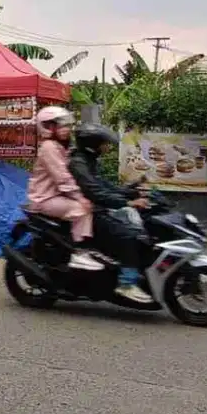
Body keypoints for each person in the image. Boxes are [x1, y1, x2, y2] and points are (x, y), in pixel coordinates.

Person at [69, 122, 153, 303]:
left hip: (95, 209)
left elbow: (105, 187)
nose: (107, 147)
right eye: (104, 143)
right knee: (129, 235)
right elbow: (95, 192)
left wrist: (133, 190)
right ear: (93, 144)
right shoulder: (78, 163)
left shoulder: (88, 161)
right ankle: (126, 283)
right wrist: (128, 202)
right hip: (89, 213)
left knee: (138, 229)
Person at [26, 107, 94, 256]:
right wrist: (80, 197)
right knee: (82, 210)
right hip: (45, 198)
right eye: (61, 125)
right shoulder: (49, 147)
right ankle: (81, 253)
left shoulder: (60, 147)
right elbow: (62, 177)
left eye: (67, 125)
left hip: (56, 196)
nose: (66, 129)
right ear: (48, 127)